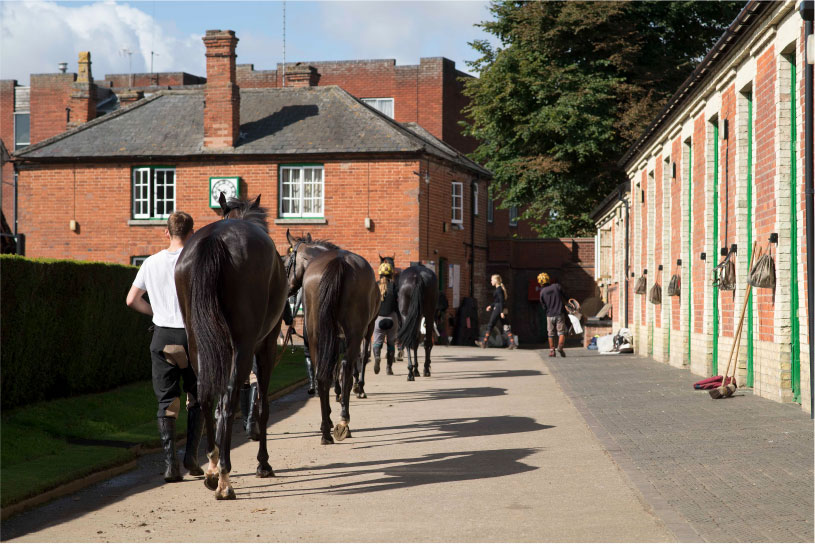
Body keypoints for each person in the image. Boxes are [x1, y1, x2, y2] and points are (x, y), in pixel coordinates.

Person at [126, 211, 202, 482]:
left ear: (166, 233)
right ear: (192, 233)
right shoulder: (197, 262)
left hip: (162, 338)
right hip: (191, 339)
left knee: (167, 402)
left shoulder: (150, 262)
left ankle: (170, 466)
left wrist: (156, 312)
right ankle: (191, 456)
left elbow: (131, 300)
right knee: (197, 398)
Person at [476, 274, 517, 349]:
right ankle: (512, 343)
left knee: (490, 325)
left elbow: (501, 301)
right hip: (500, 307)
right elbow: (497, 301)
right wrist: (490, 306)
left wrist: (501, 312)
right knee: (505, 325)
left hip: (498, 309)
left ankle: (484, 343)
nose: (491, 281)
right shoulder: (499, 289)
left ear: (495, 280)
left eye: (492, 280)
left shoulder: (499, 290)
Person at [372, 261, 398, 375]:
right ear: (391, 274)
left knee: (377, 343)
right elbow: (398, 304)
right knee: (391, 344)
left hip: (378, 319)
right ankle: (389, 368)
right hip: (392, 318)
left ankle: (377, 356)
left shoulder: (375, 286)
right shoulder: (394, 286)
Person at [538, 272, 568, 357]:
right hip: (559, 314)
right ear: (548, 279)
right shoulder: (556, 286)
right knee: (561, 332)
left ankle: (552, 351)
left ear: (540, 282)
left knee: (550, 333)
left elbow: (543, 306)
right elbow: (565, 295)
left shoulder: (542, 292)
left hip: (549, 315)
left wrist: (547, 311)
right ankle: (560, 347)